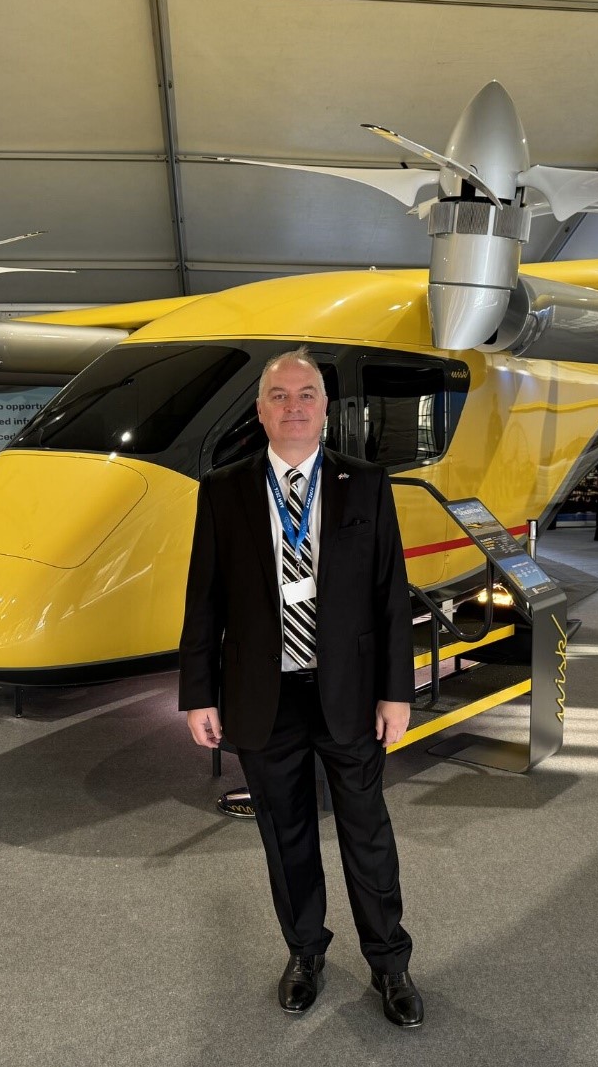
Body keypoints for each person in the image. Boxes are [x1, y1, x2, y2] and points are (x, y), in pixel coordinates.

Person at [179, 349, 423, 1027]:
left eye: (306, 394)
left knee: (366, 832)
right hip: (265, 695)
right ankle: (305, 952)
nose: (293, 406)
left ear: (325, 408)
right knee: (285, 836)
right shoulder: (222, 489)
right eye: (279, 395)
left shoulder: (366, 483)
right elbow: (204, 600)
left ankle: (390, 962)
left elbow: (389, 595)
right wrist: (199, 693)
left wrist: (396, 691)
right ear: (259, 411)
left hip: (350, 691)